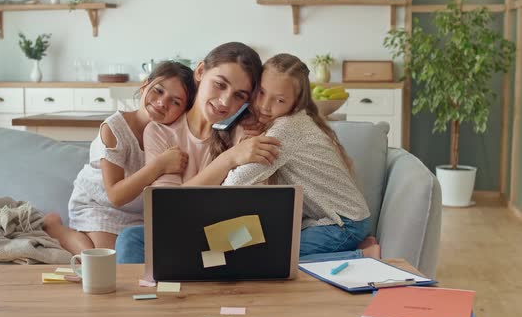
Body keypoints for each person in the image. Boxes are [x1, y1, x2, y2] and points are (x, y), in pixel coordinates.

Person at [115, 42, 280, 263]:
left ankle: (203, 271)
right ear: (200, 71)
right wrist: (228, 159)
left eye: (239, 96)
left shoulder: (247, 134)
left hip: (227, 239)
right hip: (179, 236)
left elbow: (249, 218)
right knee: (131, 239)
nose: (224, 102)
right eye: (220, 84)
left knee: (249, 239)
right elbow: (169, 208)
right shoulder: (160, 132)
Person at [220, 53, 380, 260]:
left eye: (279, 100)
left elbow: (236, 184)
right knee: (244, 243)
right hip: (328, 220)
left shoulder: (286, 130)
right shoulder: (283, 123)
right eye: (261, 92)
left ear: (296, 102)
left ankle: (362, 255)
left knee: (271, 257)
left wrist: (232, 157)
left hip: (343, 225)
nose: (265, 106)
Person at [43, 61, 196, 255]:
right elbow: (115, 196)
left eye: (175, 101)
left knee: (137, 255)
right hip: (98, 204)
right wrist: (159, 165)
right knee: (105, 261)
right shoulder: (114, 129)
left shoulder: (172, 137)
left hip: (137, 213)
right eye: (158, 90)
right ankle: (55, 228)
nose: (162, 102)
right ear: (144, 86)